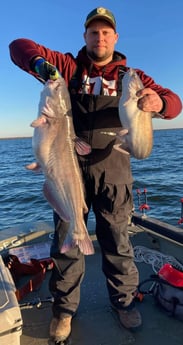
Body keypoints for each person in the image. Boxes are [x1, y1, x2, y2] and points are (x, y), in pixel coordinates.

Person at [9, 6, 182, 343]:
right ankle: (64, 311)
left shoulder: (132, 77)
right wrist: (40, 66)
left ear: (115, 37)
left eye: (106, 32)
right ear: (85, 36)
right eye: (93, 32)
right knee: (65, 243)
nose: (99, 37)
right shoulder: (67, 68)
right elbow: (18, 45)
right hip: (67, 168)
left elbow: (174, 103)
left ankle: (124, 302)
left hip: (113, 170)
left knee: (118, 242)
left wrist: (157, 104)